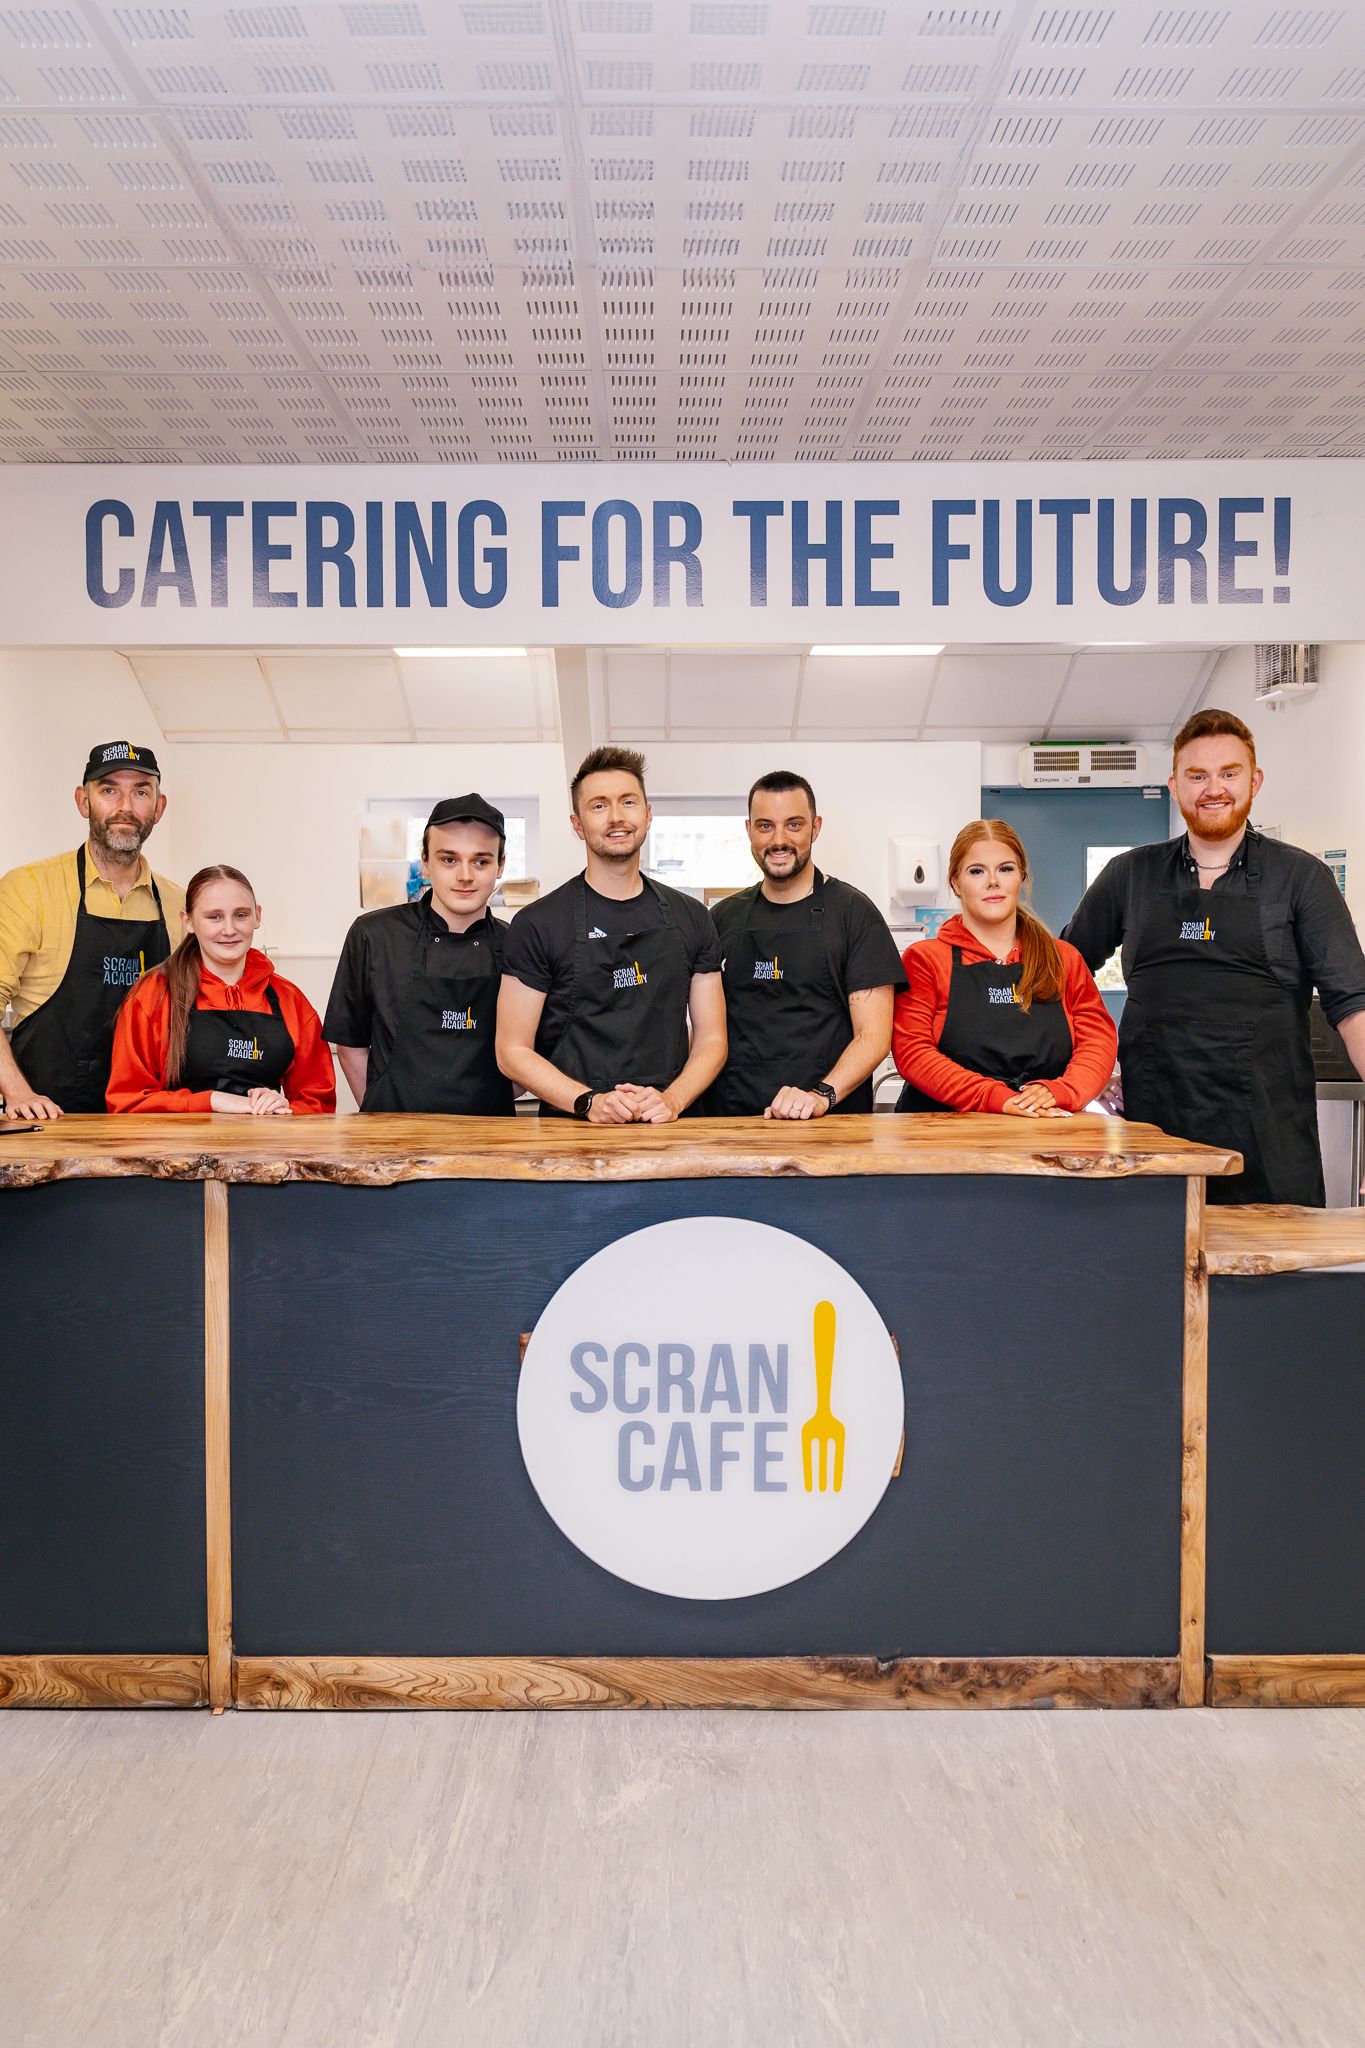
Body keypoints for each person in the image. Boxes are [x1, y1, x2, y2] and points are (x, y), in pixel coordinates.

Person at [1063, 706, 1365, 1205]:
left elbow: (1354, 1003)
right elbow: (1060, 977)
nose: (1213, 789)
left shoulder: (1301, 879)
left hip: (1269, 1142)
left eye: (1229, 773)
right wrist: (1084, 1075)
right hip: (1153, 1139)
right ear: (1175, 785)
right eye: (1197, 775)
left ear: (1254, 781)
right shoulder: (1129, 875)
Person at [496, 746, 726, 1122]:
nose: (616, 817)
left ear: (647, 815)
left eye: (628, 802)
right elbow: (511, 1050)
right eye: (599, 805)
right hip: (573, 1130)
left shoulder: (692, 917)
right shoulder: (538, 923)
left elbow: (712, 1038)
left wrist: (673, 1100)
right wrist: (589, 1101)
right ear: (577, 824)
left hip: (669, 1126)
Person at [705, 770, 907, 1117]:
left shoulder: (854, 913)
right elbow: (705, 1031)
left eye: (794, 825)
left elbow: (873, 1036)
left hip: (829, 1122)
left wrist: (821, 1095)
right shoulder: (721, 918)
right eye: (765, 826)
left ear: (815, 828)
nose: (779, 840)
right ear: (749, 830)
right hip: (735, 1121)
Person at [0, 740, 184, 1119]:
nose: (125, 807)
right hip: (50, 1119)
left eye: (141, 792)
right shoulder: (29, 888)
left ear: (158, 808)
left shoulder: (178, 905)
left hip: (149, 1121)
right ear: (83, 801)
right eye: (109, 790)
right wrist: (18, 1094)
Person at [893, 819, 1117, 1117]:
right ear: (956, 883)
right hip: (943, 1133)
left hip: (1044, 1130)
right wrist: (997, 1098)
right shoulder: (926, 960)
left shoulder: (1063, 959)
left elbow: (1098, 1041)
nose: (993, 882)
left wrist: (1061, 1091)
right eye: (976, 871)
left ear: (1021, 876)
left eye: (1005, 869)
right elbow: (913, 1051)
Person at [324, 795, 514, 1115]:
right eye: (449, 859)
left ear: (501, 865)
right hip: (394, 1134)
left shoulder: (518, 945)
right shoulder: (374, 935)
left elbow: (527, 1054)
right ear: (425, 862)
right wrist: (380, 1116)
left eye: (481, 861)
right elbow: (350, 1045)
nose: (465, 875)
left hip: (489, 1134)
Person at [107, 864, 335, 1115]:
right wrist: (213, 1101)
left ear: (257, 916)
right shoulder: (153, 996)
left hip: (263, 1141)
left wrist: (284, 1108)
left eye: (241, 915)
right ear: (188, 921)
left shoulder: (290, 1000)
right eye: (214, 917)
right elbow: (127, 1102)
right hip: (180, 1142)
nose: (229, 929)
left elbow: (318, 1104)